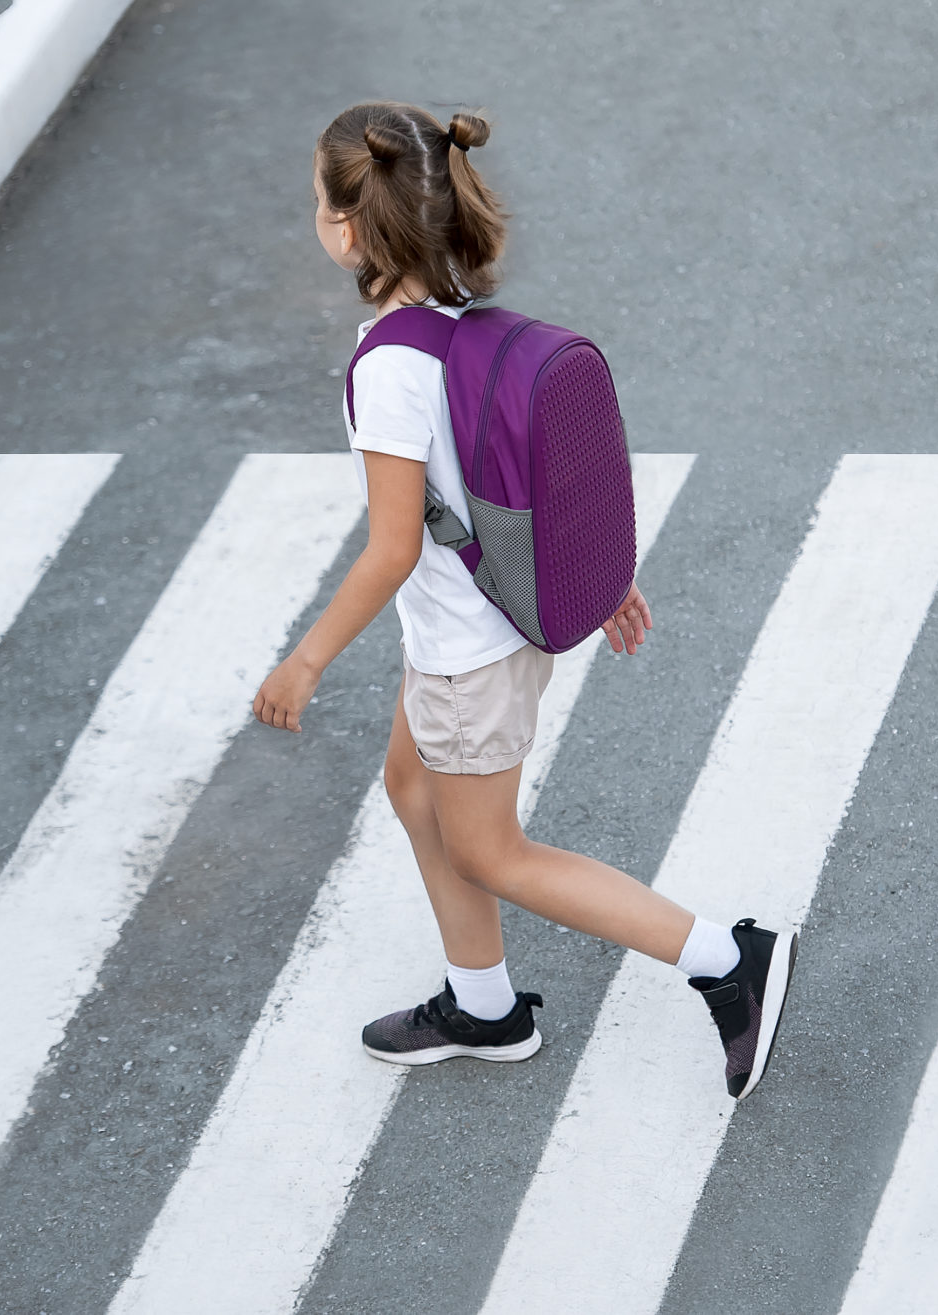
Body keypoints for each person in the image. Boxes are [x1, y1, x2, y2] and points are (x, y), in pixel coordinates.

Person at [253, 101, 794, 1100]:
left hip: (467, 648)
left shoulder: (387, 368)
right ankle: (483, 1004)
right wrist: (599, 576)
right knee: (413, 790)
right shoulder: (463, 329)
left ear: (345, 227)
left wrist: (306, 657)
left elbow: (390, 544)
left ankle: (726, 957)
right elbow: (506, 471)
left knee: (491, 850)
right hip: (476, 625)